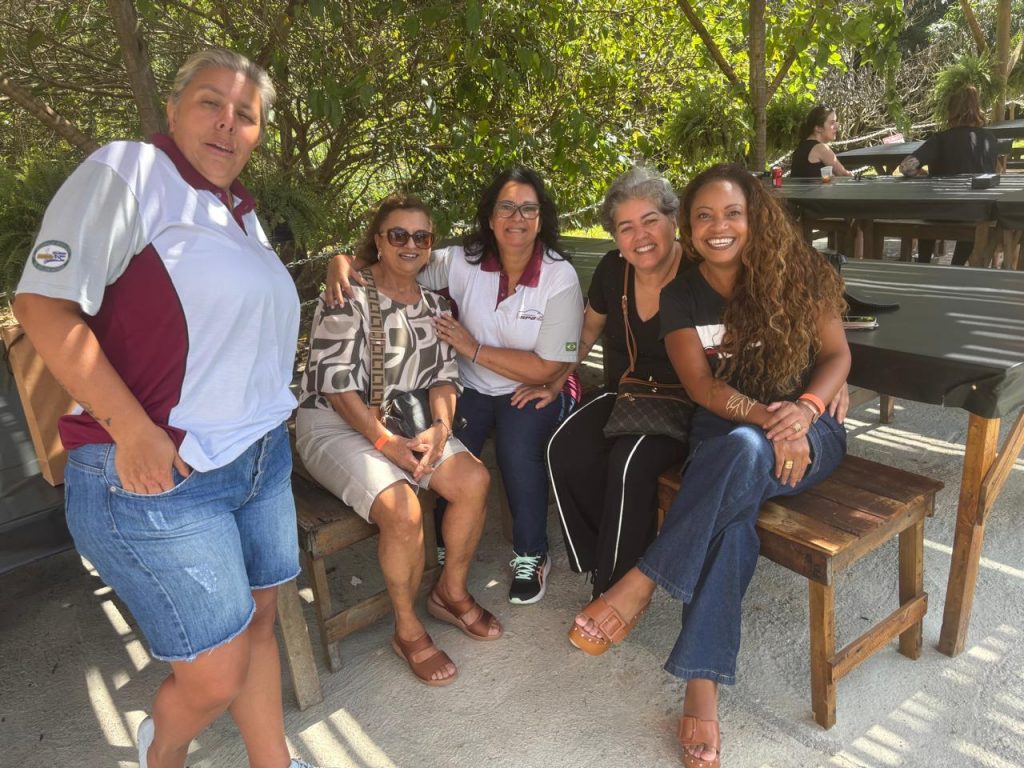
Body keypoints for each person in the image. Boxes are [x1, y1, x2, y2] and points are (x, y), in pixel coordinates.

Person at [14, 50, 320, 768]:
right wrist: (134, 430)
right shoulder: (131, 172)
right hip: (161, 474)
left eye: (245, 114)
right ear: (175, 108)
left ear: (258, 133)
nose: (227, 122)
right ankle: (163, 751)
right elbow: (42, 305)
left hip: (257, 458)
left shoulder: (239, 211)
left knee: (262, 620)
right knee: (212, 673)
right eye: (211, 102)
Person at [567, 163, 850, 768]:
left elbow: (836, 354)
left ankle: (641, 582)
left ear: (755, 217)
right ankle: (702, 687)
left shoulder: (804, 273)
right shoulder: (682, 295)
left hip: (810, 433)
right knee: (735, 499)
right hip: (727, 432)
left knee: (739, 461)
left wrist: (803, 411)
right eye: (704, 216)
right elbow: (700, 387)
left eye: (731, 213)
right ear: (688, 228)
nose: (718, 226)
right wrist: (764, 420)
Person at [326, 166, 584, 605]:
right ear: (490, 215)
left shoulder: (559, 276)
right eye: (506, 206)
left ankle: (532, 552)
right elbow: (396, 260)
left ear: (541, 218)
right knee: (448, 442)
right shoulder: (463, 259)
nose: (516, 217)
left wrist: (474, 347)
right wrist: (341, 263)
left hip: (539, 384)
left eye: (528, 209)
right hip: (472, 384)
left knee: (518, 447)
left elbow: (549, 366)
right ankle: (450, 544)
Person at [296, 194, 500, 687]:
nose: (411, 244)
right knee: (403, 509)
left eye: (421, 237)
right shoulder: (347, 294)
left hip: (407, 420)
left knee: (473, 479)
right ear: (379, 242)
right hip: (334, 422)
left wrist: (441, 429)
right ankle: (407, 631)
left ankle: (449, 593)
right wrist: (385, 444)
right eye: (398, 235)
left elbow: (444, 381)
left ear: (431, 246)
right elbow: (337, 385)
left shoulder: (434, 306)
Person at [527, 166, 689, 599]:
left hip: (691, 400)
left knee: (628, 461)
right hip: (629, 394)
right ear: (615, 236)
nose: (641, 236)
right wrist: (558, 380)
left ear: (674, 219)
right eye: (626, 227)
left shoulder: (702, 271)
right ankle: (603, 556)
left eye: (651, 220)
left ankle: (613, 592)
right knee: (563, 447)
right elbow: (585, 332)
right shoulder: (613, 270)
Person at [898, 84, 1000, 265]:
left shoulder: (940, 140)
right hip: (974, 212)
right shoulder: (990, 141)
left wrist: (924, 174)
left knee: (928, 211)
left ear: (950, 110)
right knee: (969, 217)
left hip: (939, 211)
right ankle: (957, 265)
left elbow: (906, 167)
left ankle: (923, 262)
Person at [790, 105, 852, 178]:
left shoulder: (801, 147)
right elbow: (844, 175)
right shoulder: (821, 148)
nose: (836, 126)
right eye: (832, 123)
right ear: (818, 128)